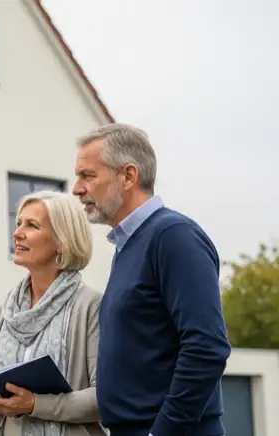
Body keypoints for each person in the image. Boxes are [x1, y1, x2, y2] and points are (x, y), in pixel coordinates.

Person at [72, 123, 231, 436]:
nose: (76, 188)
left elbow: (207, 347)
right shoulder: (129, 244)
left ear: (129, 176)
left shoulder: (173, 237)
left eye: (87, 175)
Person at [0, 190, 106, 436]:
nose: (17, 233)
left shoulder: (91, 306)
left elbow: (103, 397)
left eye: (32, 225)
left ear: (61, 241)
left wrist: (35, 404)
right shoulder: (3, 314)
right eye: (18, 223)